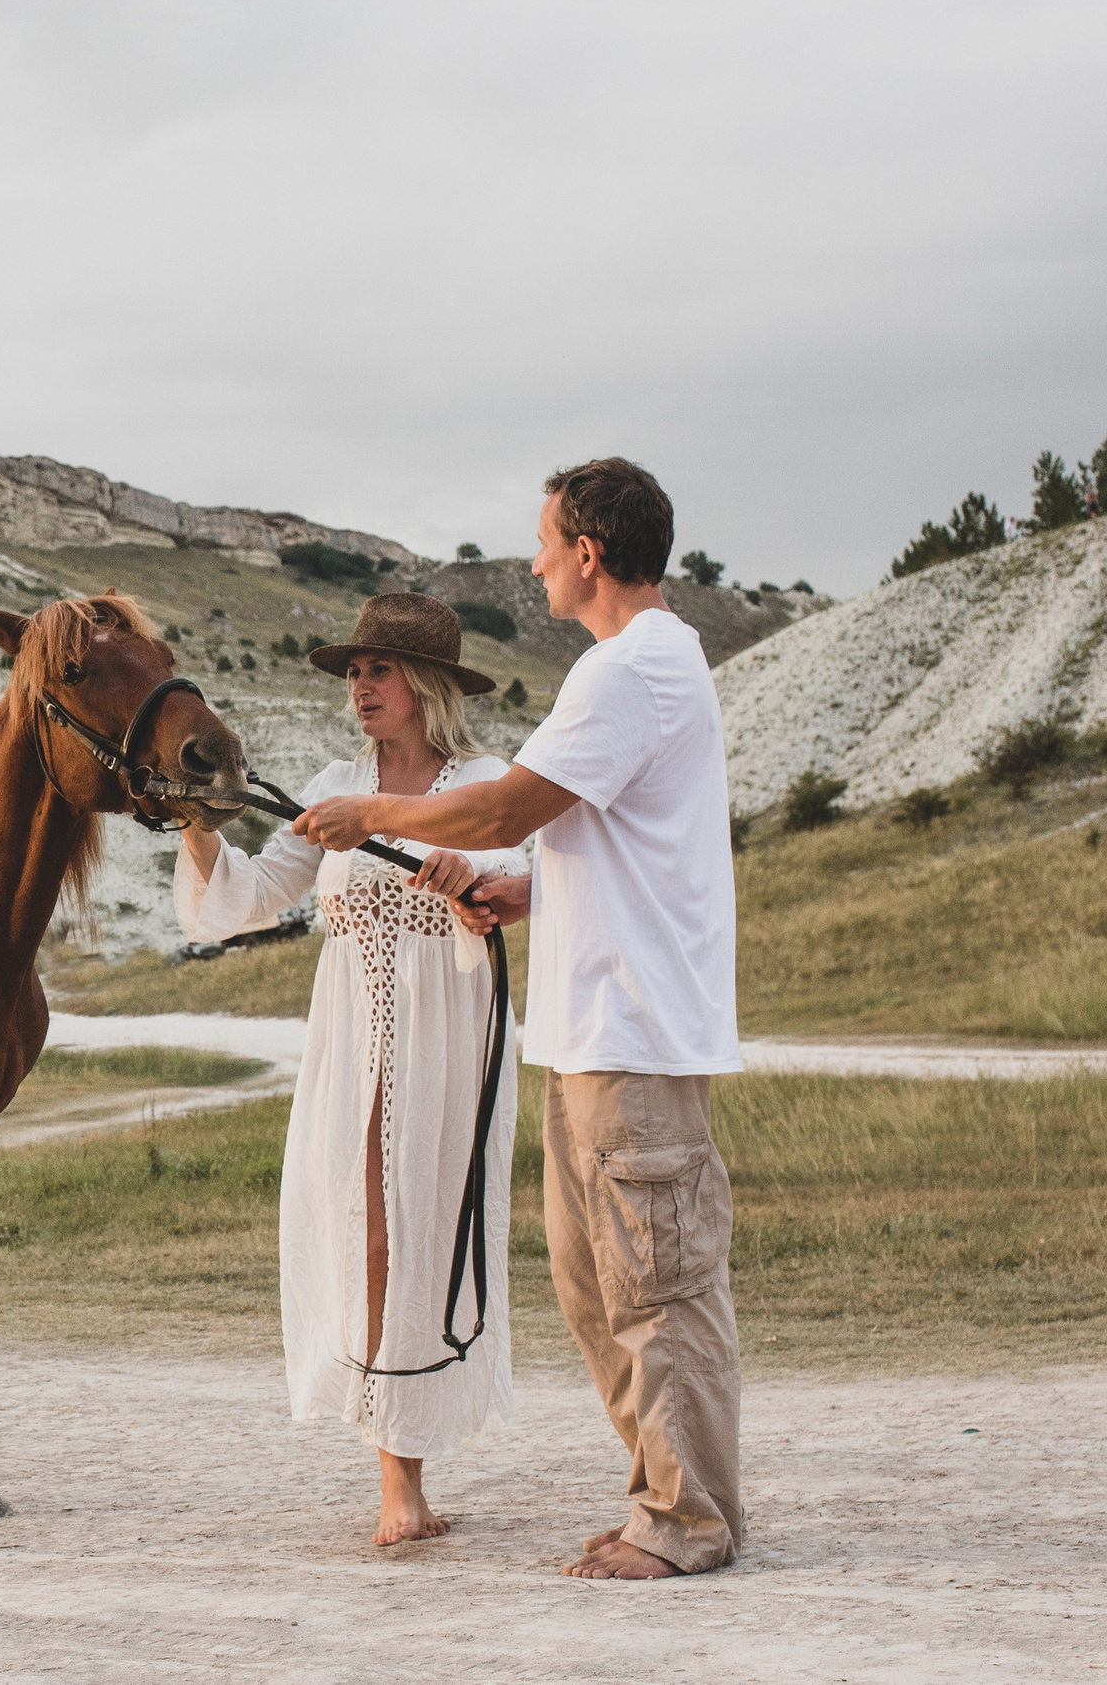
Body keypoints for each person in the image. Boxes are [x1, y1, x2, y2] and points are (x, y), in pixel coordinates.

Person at [290, 457, 744, 1580]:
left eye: (545, 542)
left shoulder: (627, 670)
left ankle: (684, 1521)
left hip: (629, 1030)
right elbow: (601, 843)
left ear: (588, 551)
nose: (534, 560)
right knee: (606, 1292)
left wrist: (369, 814)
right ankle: (664, 1503)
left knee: (652, 1288)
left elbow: (504, 804)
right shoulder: (640, 667)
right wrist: (524, 891)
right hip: (600, 1031)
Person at [174, 593, 522, 1549]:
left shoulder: (489, 782)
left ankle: (407, 1458)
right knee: (361, 1229)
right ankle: (394, 1475)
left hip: (449, 1030)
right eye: (354, 672)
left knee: (425, 1230)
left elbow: (523, 881)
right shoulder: (335, 780)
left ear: (428, 684)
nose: (361, 687)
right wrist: (198, 825)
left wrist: (468, 880)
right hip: (350, 1031)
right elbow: (243, 899)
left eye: (379, 670)